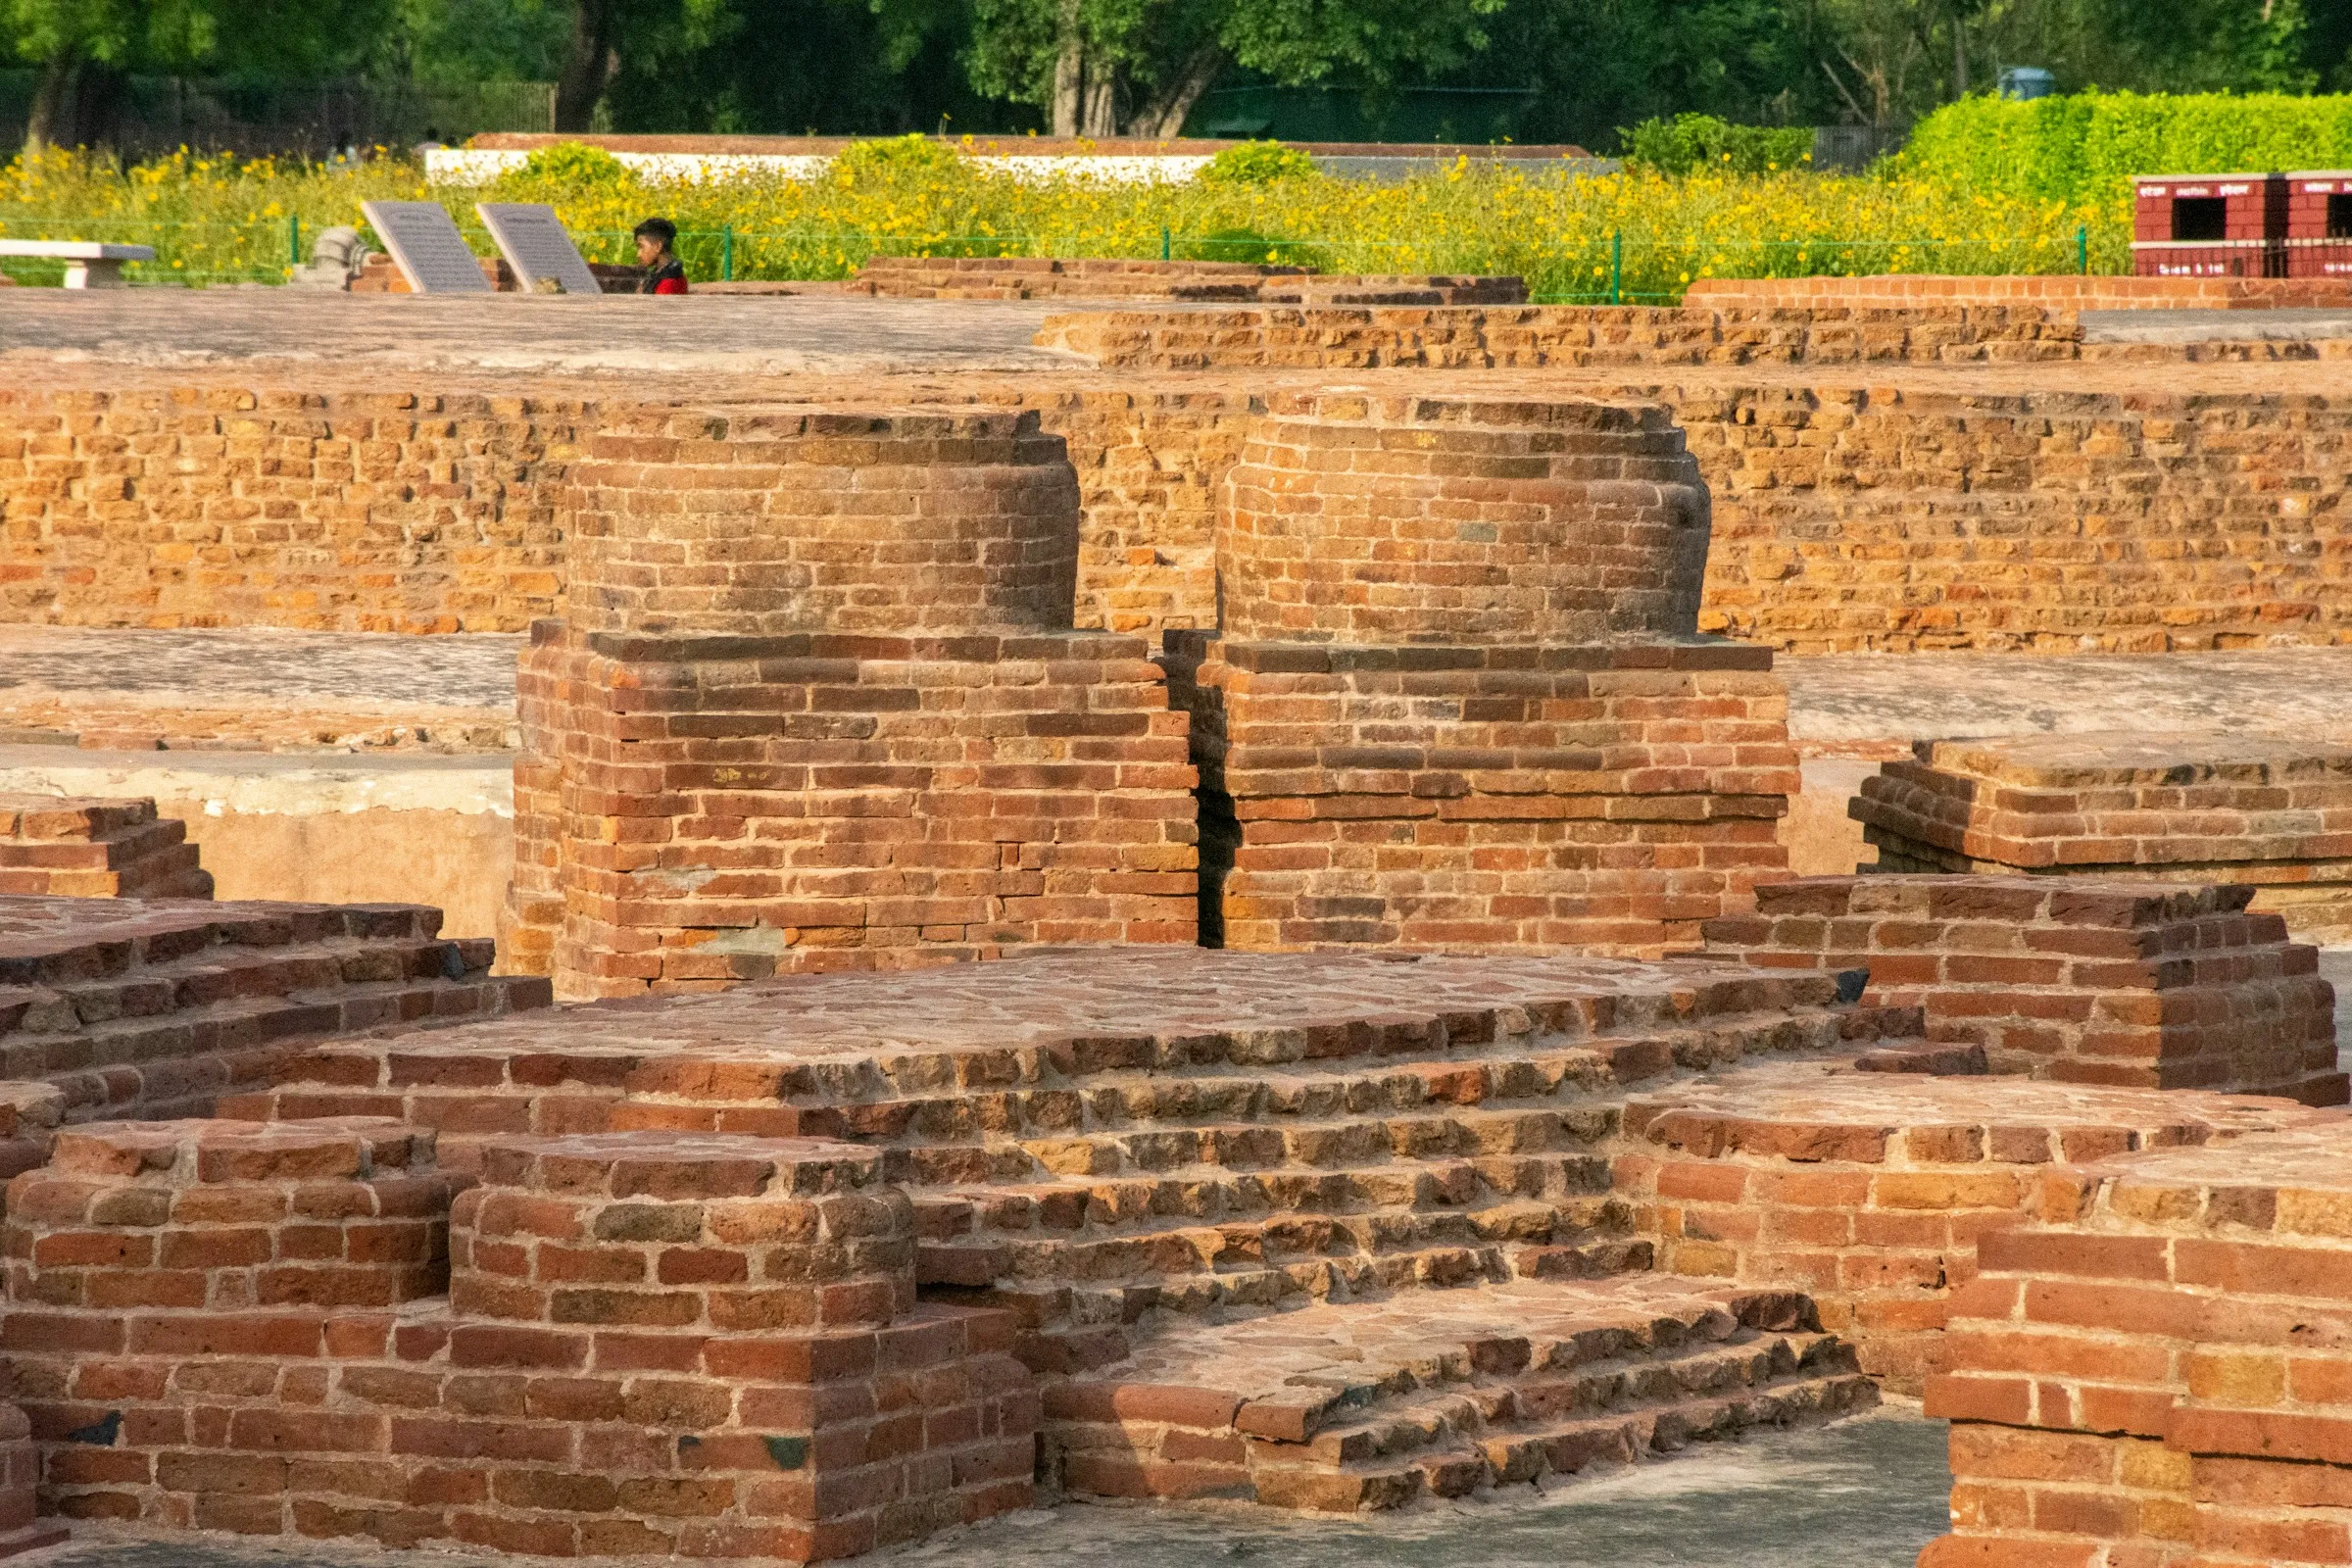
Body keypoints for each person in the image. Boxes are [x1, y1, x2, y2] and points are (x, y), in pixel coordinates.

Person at [634, 218, 688, 295]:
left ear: (657, 246)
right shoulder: (663, 274)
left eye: (641, 247)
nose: (638, 254)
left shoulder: (668, 283)